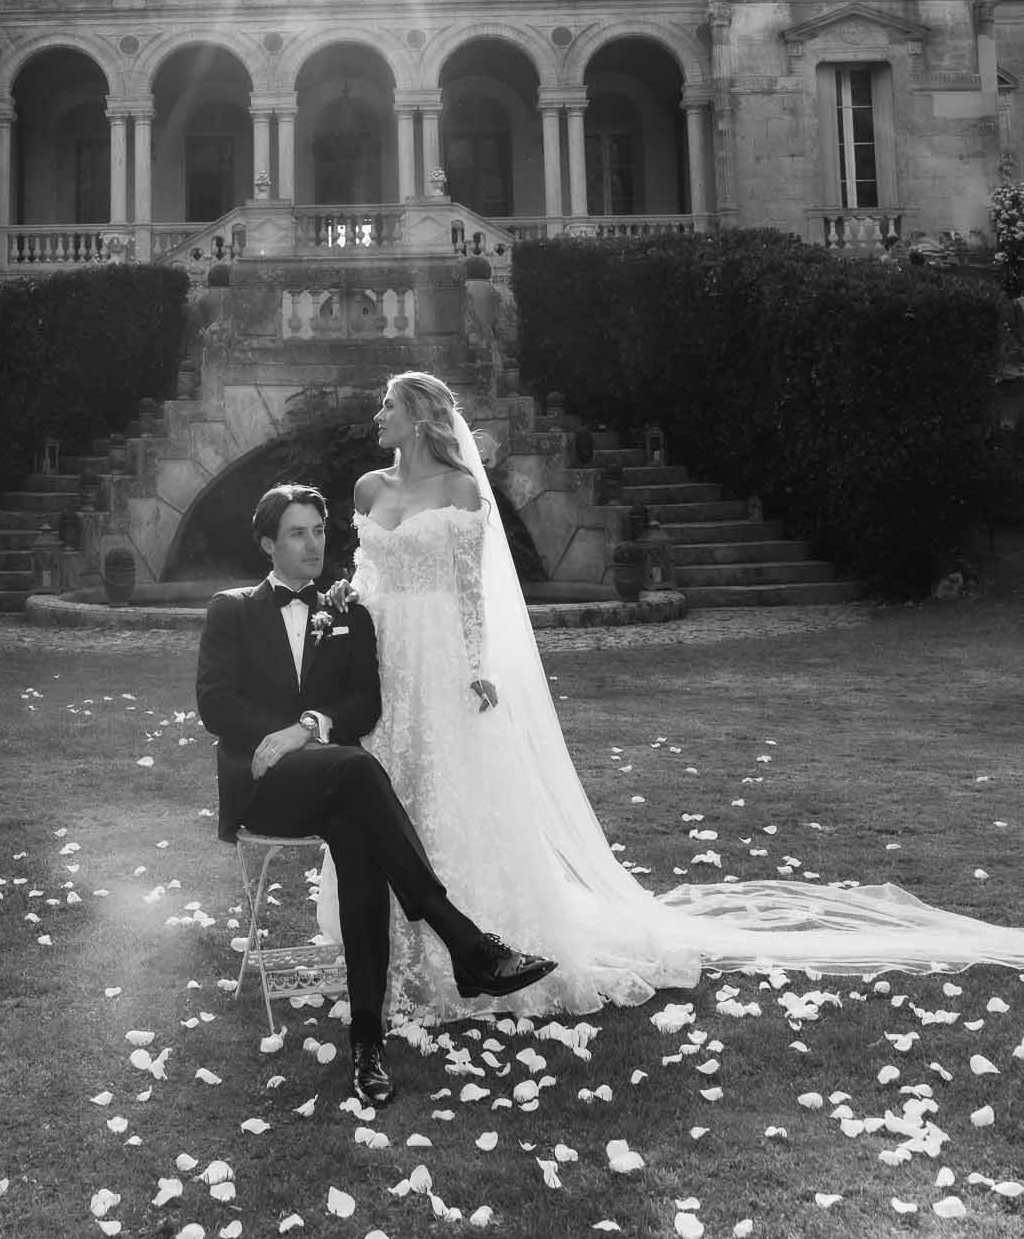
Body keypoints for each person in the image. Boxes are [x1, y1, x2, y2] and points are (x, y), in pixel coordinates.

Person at [317, 369, 1024, 1022]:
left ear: (417, 416)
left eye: (387, 406)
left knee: (449, 786)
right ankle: (388, 936)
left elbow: (472, 590)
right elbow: (367, 570)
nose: (377, 416)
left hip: (439, 652)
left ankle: (465, 938)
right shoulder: (368, 490)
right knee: (392, 779)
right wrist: (348, 601)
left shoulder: (461, 490)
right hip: (386, 655)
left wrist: (476, 663)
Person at [195, 482, 555, 1106]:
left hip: (332, 779)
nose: (313, 544)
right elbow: (215, 704)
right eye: (297, 534)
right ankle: (464, 941)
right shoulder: (230, 610)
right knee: (361, 775)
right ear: (267, 545)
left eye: (318, 530)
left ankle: (367, 1045)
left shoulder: (347, 612)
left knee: (359, 836)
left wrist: (304, 728)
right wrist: (276, 741)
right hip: (264, 788)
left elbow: (364, 706)